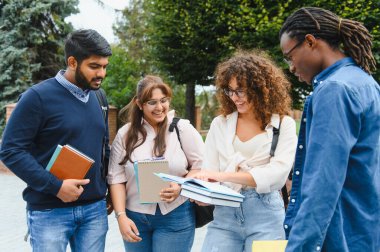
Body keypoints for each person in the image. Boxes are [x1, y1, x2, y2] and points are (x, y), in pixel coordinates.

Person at [0, 29, 112, 251]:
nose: (101, 73)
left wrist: (106, 188)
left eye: (104, 66)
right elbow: (10, 150)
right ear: (72, 61)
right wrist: (56, 186)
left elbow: (103, 147)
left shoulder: (99, 96)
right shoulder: (37, 97)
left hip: (94, 211)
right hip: (49, 211)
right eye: (94, 66)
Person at [279, 7, 380, 251]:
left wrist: (299, 247)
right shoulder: (366, 83)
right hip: (365, 231)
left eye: (289, 56)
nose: (291, 68)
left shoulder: (334, 90)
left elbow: (322, 184)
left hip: (341, 236)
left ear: (311, 41)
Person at [193, 50, 298, 252]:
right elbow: (209, 171)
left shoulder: (283, 125)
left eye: (240, 91)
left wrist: (220, 176)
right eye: (230, 91)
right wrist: (201, 193)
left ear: (260, 89)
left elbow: (277, 175)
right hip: (224, 217)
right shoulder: (220, 124)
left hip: (267, 215)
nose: (235, 98)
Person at [107, 75, 204, 252]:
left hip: (176, 214)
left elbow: (200, 167)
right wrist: (121, 216)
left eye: (163, 100)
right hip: (134, 217)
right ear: (139, 103)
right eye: (152, 102)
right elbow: (116, 178)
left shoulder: (182, 129)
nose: (160, 107)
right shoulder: (125, 134)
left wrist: (181, 186)